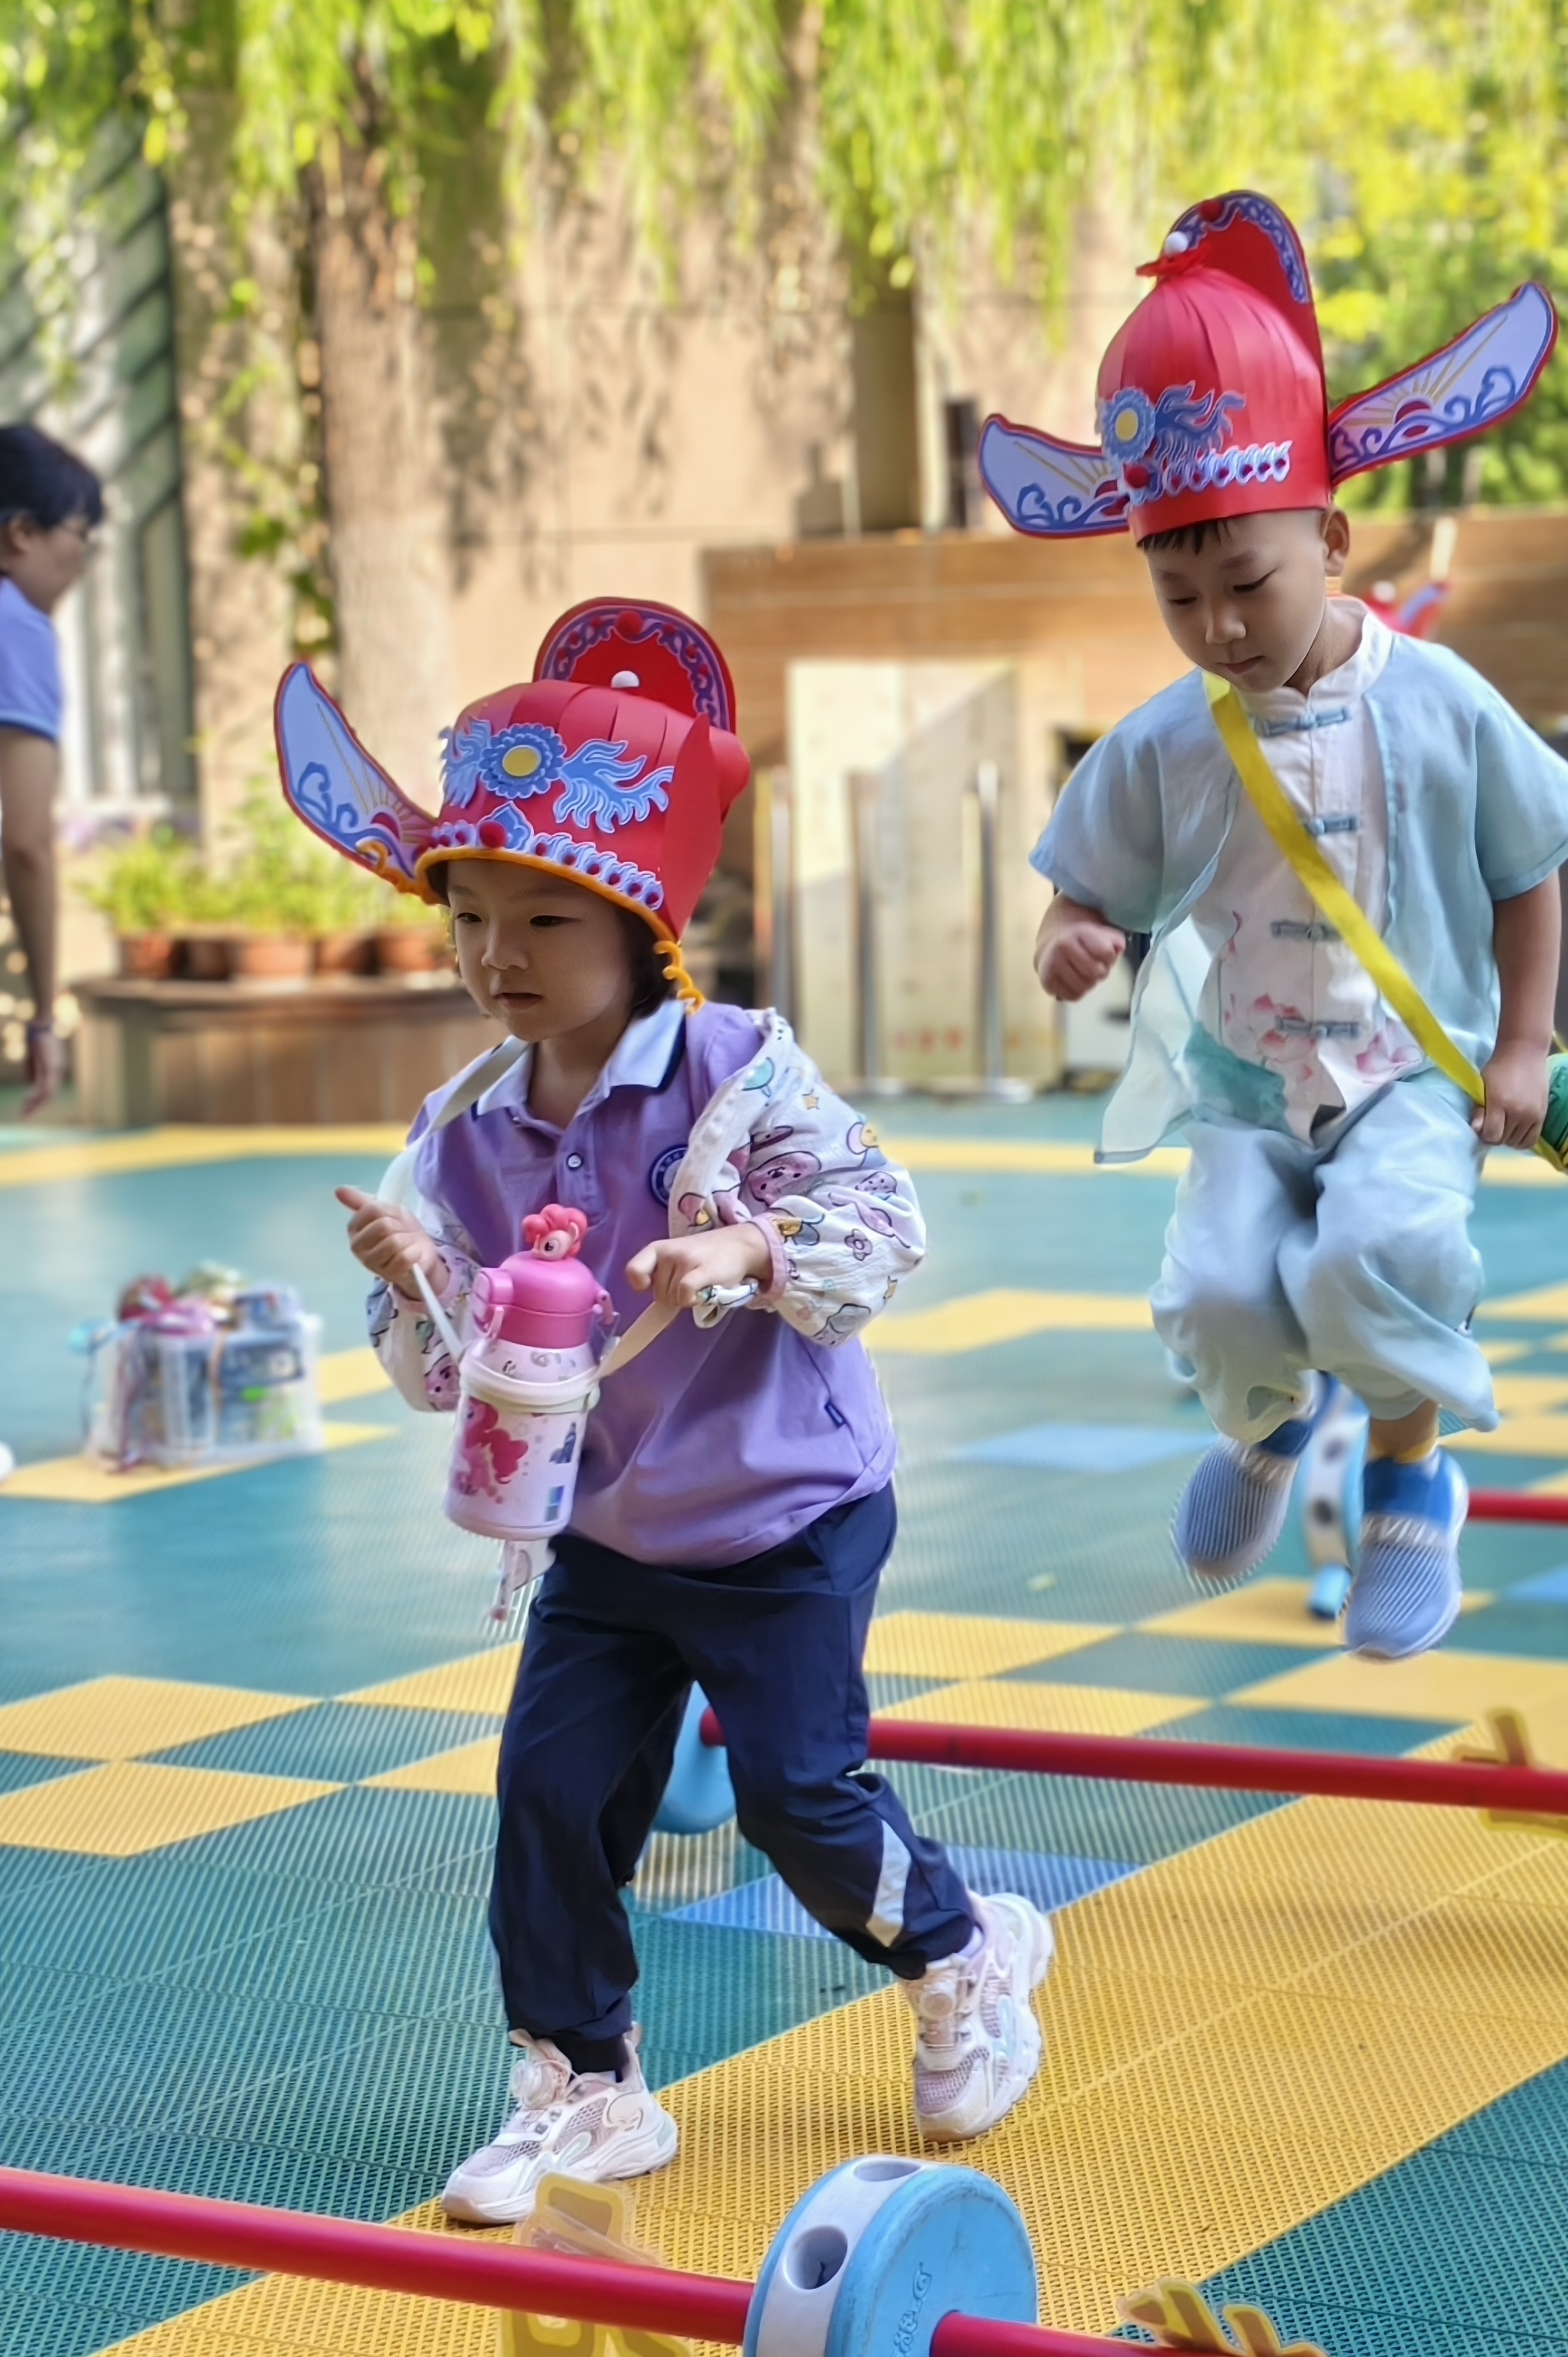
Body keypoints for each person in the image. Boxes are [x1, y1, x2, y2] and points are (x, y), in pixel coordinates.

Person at [275, 600, 1052, 2222]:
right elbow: (439, 1378)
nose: (498, 955)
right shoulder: (462, 1132)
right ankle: (586, 2085)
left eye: (544, 919)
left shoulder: (739, 1073)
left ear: (642, 925)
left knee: (798, 1797)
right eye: (470, 915)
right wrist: (423, 1279)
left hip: (782, 1512)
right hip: (608, 1534)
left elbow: (885, 1223)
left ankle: (965, 1954)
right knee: (551, 1796)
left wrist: (746, 1241)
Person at [991, 193, 1568, 1663]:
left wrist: (1523, 1046)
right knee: (1215, 1285)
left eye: (1247, 581)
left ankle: (1407, 1481)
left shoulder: (1442, 700)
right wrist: (1071, 934)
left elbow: (1530, 867)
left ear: (1329, 534)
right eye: (1178, 593)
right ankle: (1261, 1438)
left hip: (1407, 1071)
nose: (1219, 626)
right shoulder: (1165, 738)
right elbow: (1090, 883)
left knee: (1369, 1253)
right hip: (1248, 1085)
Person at [0, 424, 100, 1116]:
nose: (83, 558)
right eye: (80, 534)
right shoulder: (16, 627)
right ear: (21, 534)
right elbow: (28, 842)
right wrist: (43, 1013)